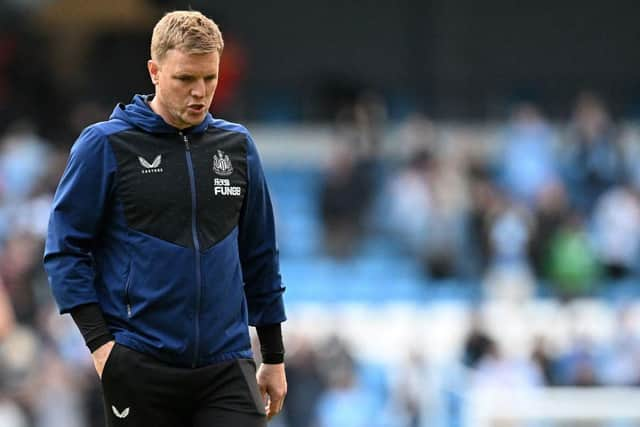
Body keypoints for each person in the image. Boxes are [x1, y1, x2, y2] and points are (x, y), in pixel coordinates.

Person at [43, 10, 287, 427]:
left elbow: (259, 254)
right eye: (185, 79)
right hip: (141, 366)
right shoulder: (106, 145)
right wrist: (103, 349)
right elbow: (65, 251)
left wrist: (274, 356)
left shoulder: (238, 147)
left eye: (209, 78)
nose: (200, 92)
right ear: (155, 71)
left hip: (226, 366)